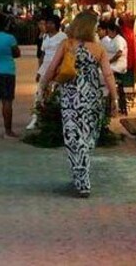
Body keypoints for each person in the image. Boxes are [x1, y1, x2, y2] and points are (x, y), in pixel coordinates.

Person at [39, 11, 119, 197]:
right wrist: (113, 98)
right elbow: (108, 74)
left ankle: (81, 177)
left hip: (70, 97)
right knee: (86, 137)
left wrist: (43, 86)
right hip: (91, 97)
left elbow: (52, 68)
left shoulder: (66, 44)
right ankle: (82, 176)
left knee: (72, 137)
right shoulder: (98, 49)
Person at [28, 14, 67, 130]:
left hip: (57, 68)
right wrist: (39, 71)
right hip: (45, 67)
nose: (48, 25)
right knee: (40, 92)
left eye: (50, 23)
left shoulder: (63, 37)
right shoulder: (45, 37)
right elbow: (42, 55)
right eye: (47, 23)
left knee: (57, 93)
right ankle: (36, 118)